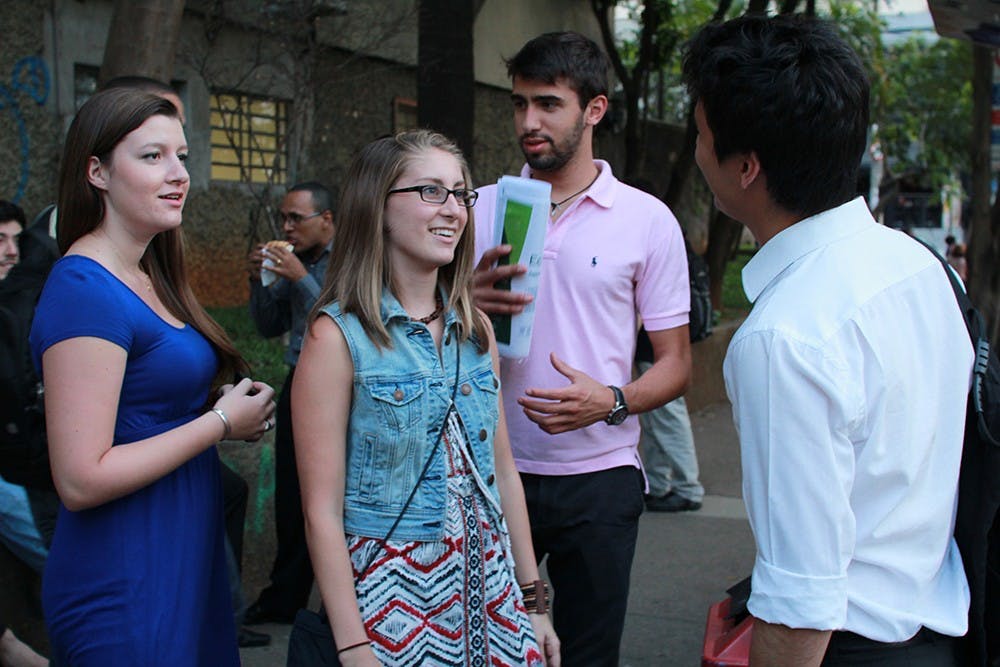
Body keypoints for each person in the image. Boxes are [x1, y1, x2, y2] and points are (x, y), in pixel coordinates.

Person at [684, 15, 971, 666]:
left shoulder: (785, 337)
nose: (697, 152)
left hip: (853, 645)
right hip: (939, 627)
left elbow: (801, 605)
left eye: (701, 136)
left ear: (747, 167)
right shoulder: (922, 268)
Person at [28, 87, 276, 665]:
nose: (178, 174)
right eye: (152, 156)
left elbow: (140, 404)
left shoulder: (149, 273)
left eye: (182, 156)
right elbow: (81, 478)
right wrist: (217, 423)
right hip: (124, 573)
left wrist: (216, 404)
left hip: (181, 555)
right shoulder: (84, 289)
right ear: (97, 172)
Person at [294, 130, 560, 666]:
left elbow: (502, 473)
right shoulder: (337, 338)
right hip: (390, 602)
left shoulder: (476, 328)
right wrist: (352, 645)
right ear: (379, 207)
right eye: (431, 191)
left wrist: (535, 604)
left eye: (460, 194)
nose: (455, 211)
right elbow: (320, 511)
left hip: (492, 595)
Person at [472, 32, 692, 665]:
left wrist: (614, 400)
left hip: (600, 478)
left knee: (588, 655)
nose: (528, 122)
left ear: (594, 110)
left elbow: (676, 362)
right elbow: (414, 328)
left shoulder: (647, 218)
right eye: (518, 105)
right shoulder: (482, 209)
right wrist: (467, 302)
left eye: (547, 104)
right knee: (484, 648)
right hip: (488, 468)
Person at [244, 181, 335, 624]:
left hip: (343, 387)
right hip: (300, 379)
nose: (287, 227)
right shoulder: (300, 261)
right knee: (290, 494)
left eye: (296, 218)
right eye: (283, 218)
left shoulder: (347, 260)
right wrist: (258, 280)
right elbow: (267, 325)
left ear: (327, 220)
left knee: (331, 497)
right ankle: (285, 598)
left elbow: (342, 317)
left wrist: (300, 278)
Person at [635, 327, 703, 512]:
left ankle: (688, 489)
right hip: (656, 349)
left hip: (661, 352)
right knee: (654, 420)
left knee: (668, 419)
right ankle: (657, 484)